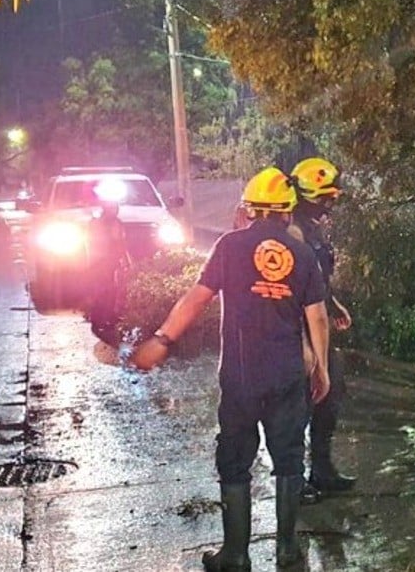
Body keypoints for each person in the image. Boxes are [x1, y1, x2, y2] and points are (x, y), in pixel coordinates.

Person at [126, 167, 332, 571]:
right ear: (288, 212)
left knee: (235, 460)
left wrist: (162, 340)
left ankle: (235, 556)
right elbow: (318, 318)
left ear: (251, 209)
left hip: (240, 377)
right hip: (288, 376)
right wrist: (321, 367)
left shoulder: (229, 247)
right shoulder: (303, 255)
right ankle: (288, 551)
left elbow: (195, 299)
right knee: (289, 458)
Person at [287, 157, 355, 503]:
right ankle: (293, 482)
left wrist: (334, 304)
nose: (330, 205)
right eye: (324, 199)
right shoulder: (292, 232)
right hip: (300, 332)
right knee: (300, 407)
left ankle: (323, 470)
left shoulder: (313, 228)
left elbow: (318, 281)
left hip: (320, 325)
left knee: (330, 399)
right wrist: (307, 346)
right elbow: (296, 292)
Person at [86, 198, 130, 345]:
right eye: (112, 207)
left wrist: (124, 260)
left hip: (106, 263)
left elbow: (120, 243)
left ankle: (105, 318)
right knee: (104, 291)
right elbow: (118, 242)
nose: (115, 210)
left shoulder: (110, 223)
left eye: (115, 207)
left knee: (109, 291)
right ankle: (101, 319)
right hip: (101, 263)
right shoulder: (100, 224)